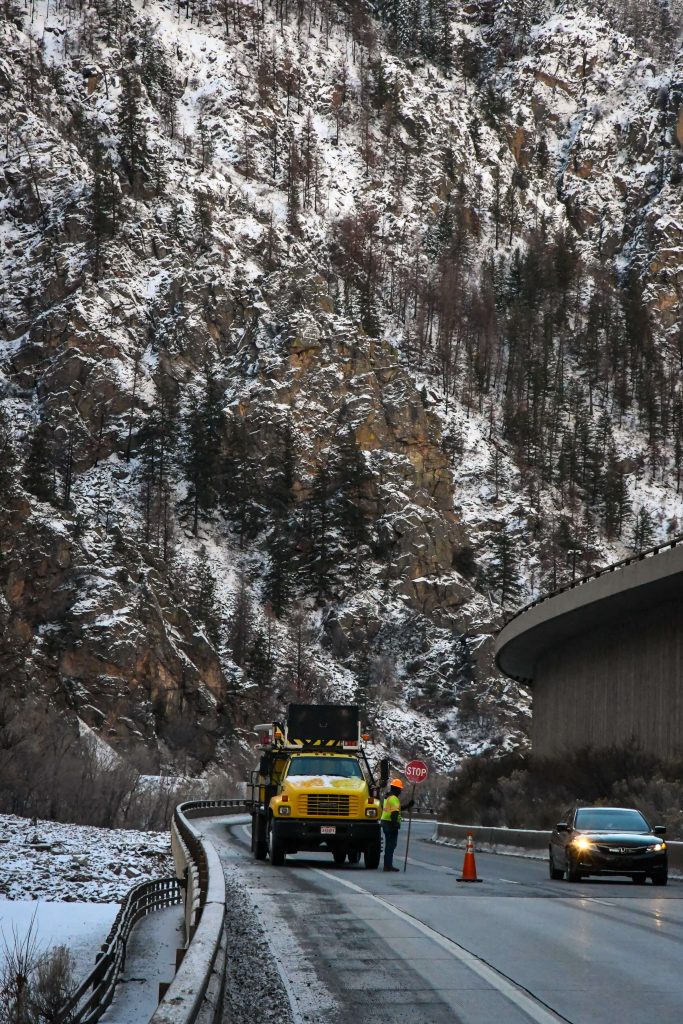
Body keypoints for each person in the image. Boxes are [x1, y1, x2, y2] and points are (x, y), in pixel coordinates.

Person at [380, 778, 413, 872]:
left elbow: (397, 809)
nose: (400, 791)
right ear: (397, 789)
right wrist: (395, 825)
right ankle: (388, 866)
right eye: (400, 789)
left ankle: (387, 865)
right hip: (390, 824)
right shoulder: (394, 799)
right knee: (391, 845)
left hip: (385, 823)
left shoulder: (388, 797)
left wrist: (407, 806)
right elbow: (394, 813)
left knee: (389, 845)